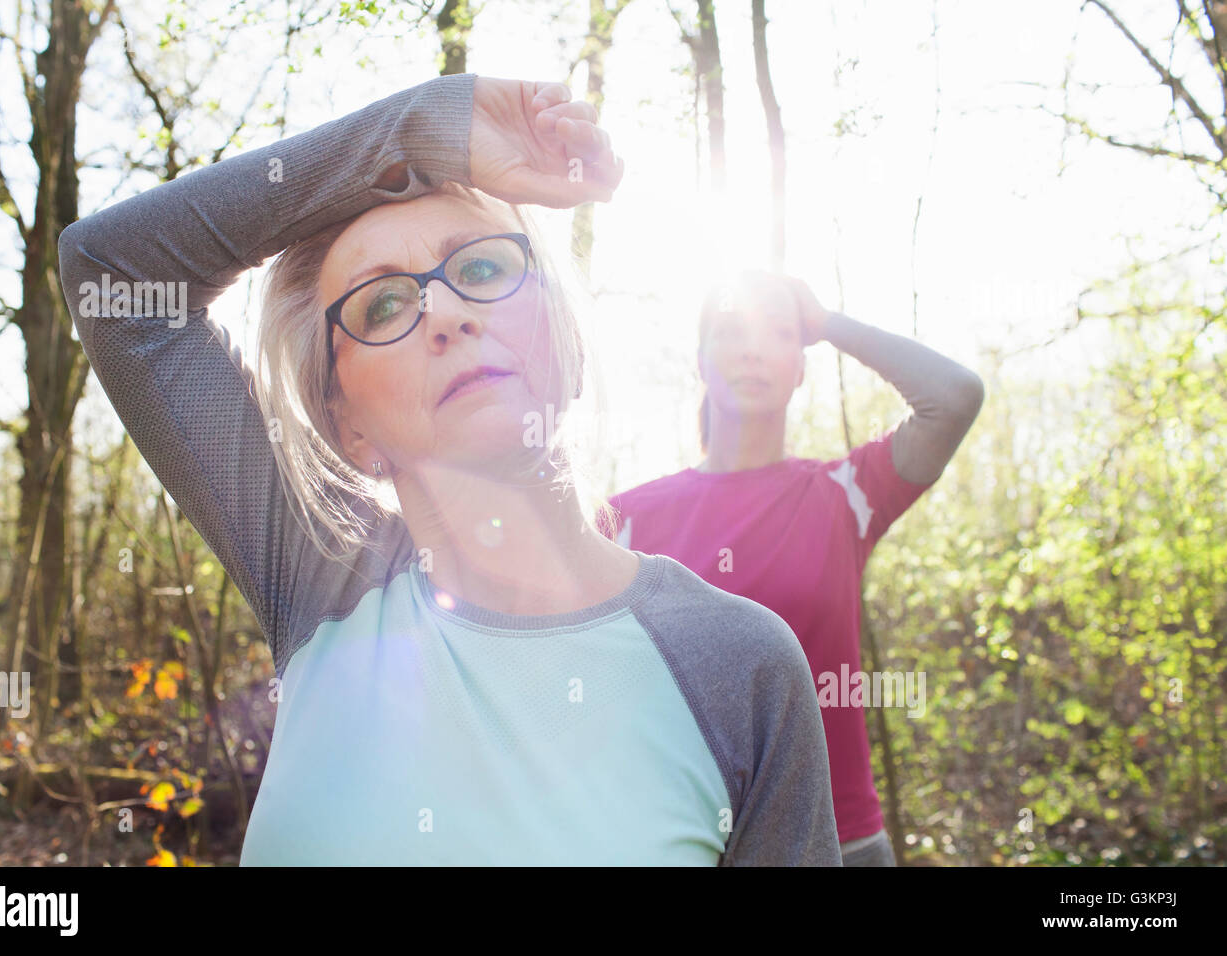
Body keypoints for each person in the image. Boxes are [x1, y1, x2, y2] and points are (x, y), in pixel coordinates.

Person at [57, 74, 841, 865]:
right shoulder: (324, 582)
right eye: (382, 307)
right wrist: (426, 127)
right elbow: (113, 274)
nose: (445, 312)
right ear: (348, 424)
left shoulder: (739, 665)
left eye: (481, 269)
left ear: (563, 339)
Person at [605, 272, 984, 866]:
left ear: (802, 365)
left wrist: (828, 323)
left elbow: (956, 396)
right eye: (731, 331)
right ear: (700, 362)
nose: (754, 348)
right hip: (684, 843)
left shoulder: (844, 494)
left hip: (841, 843)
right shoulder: (625, 518)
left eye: (780, 333)